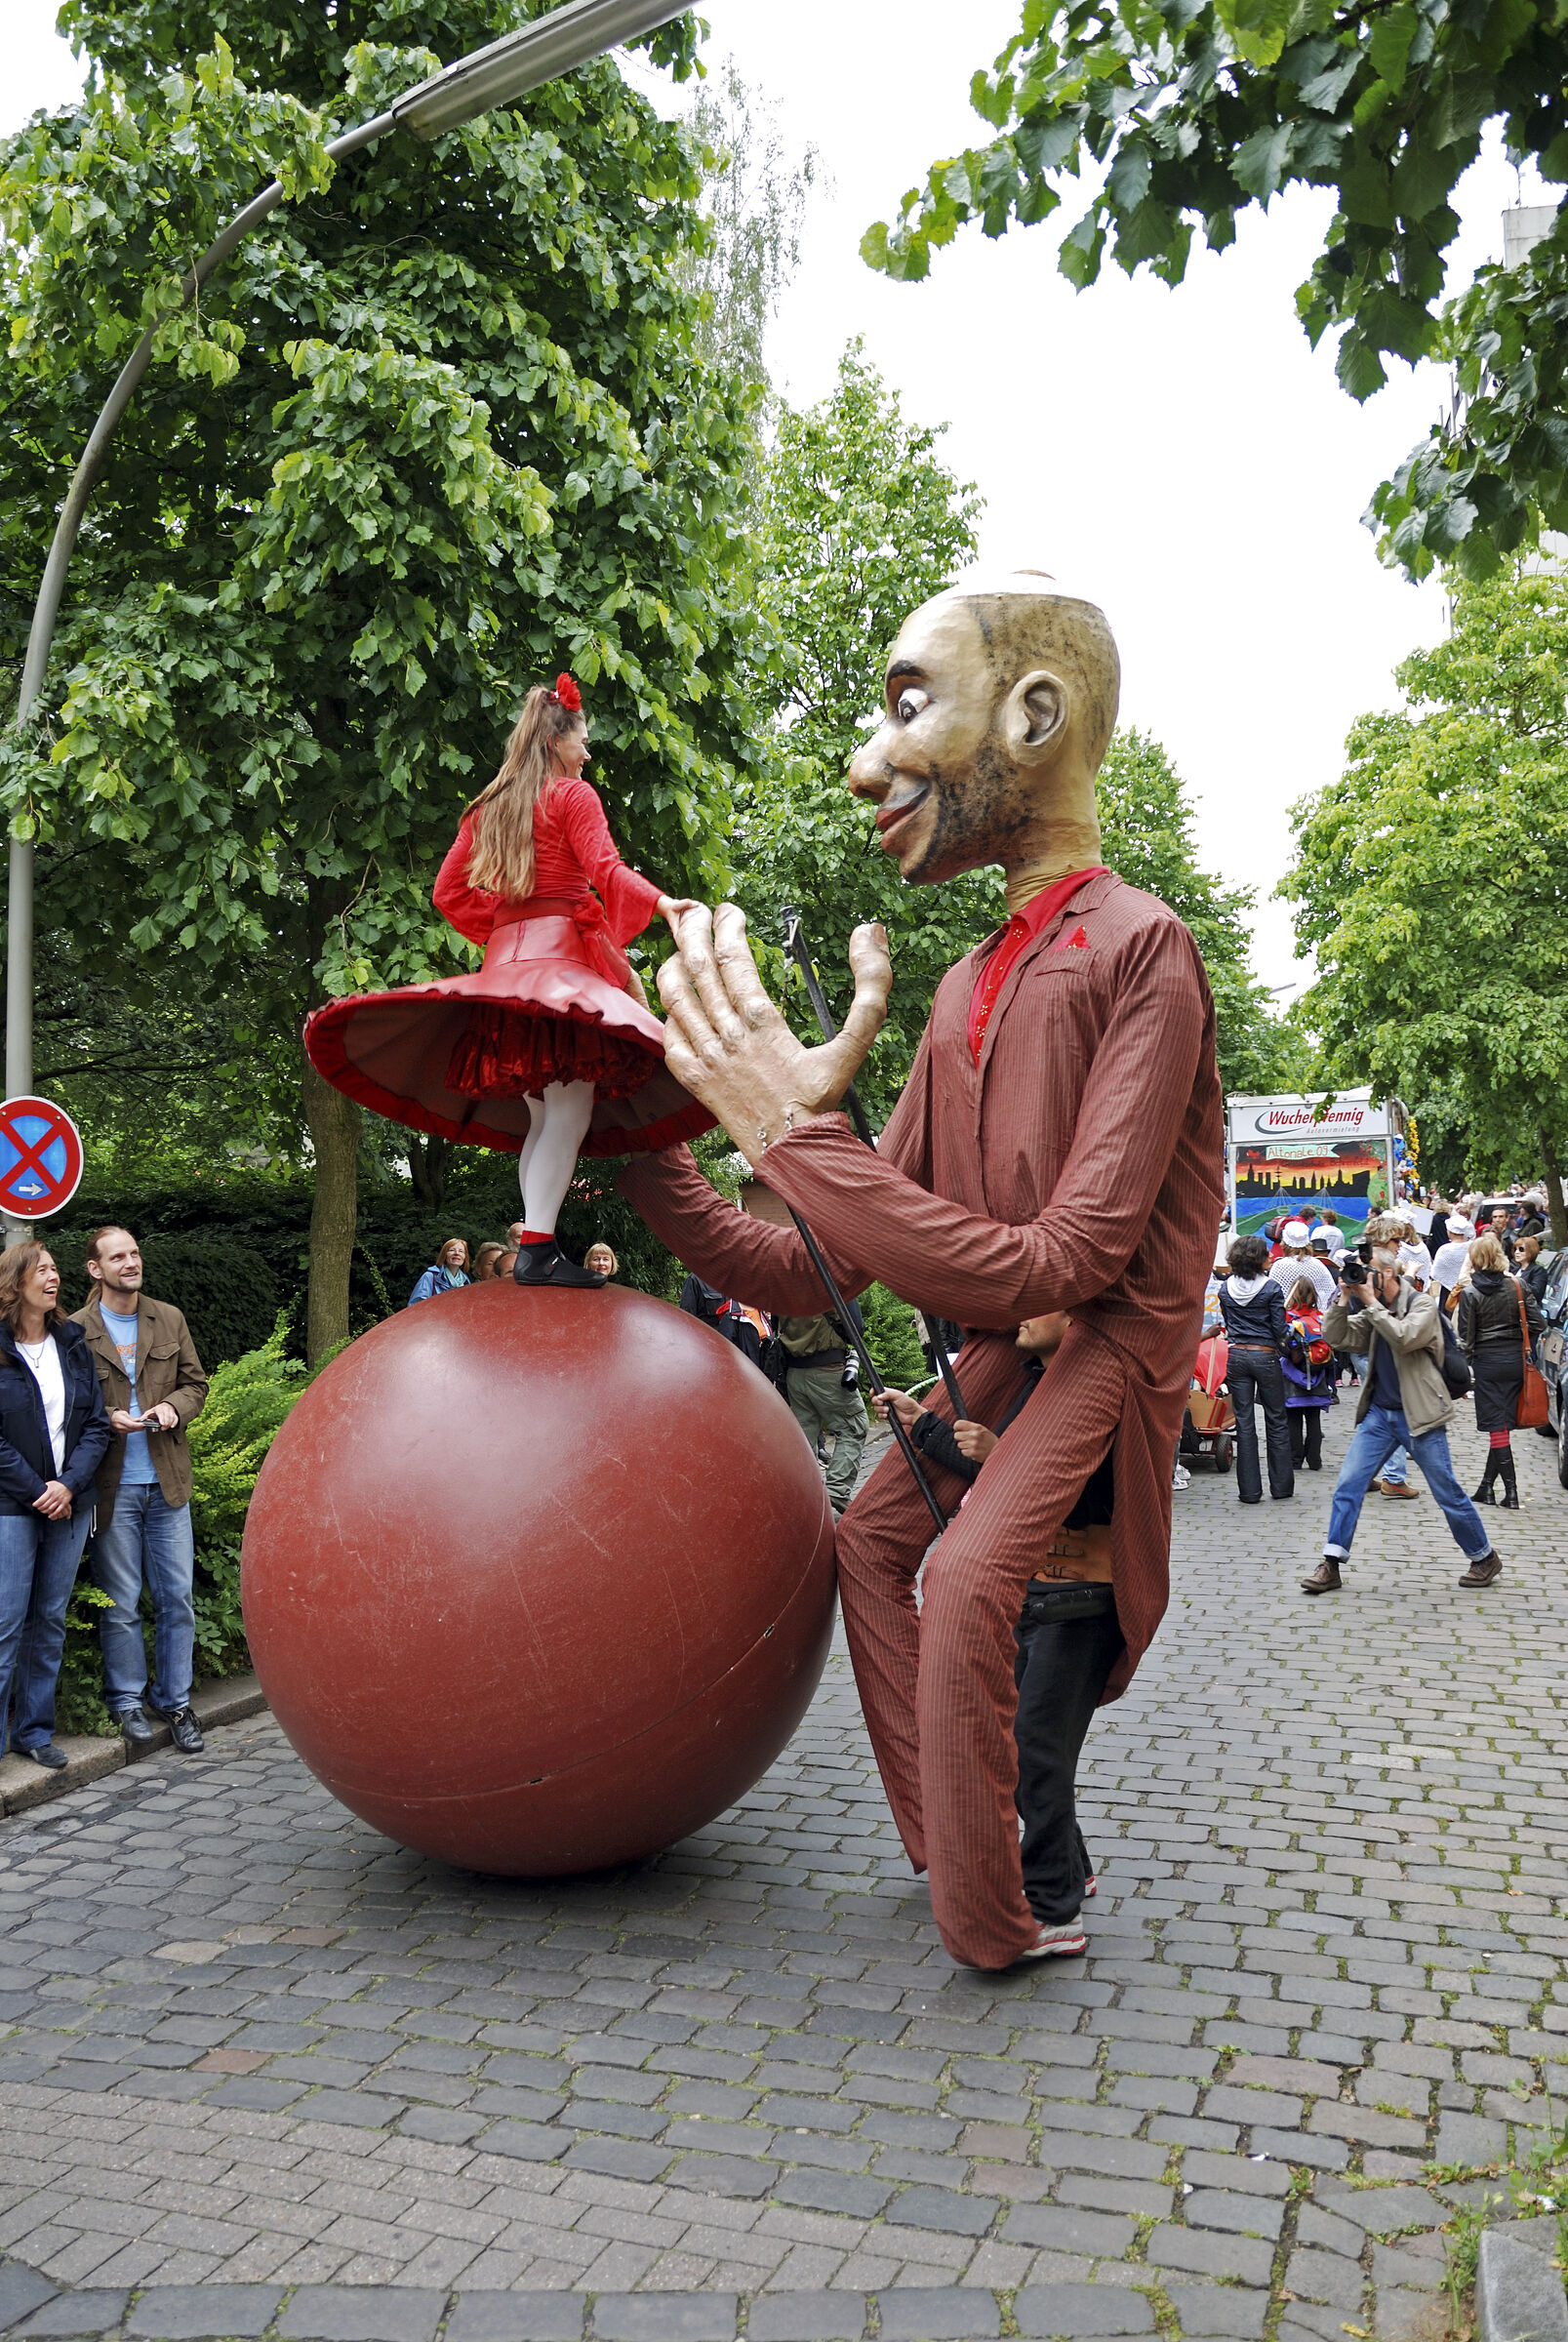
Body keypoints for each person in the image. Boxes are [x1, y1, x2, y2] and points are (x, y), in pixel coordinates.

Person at [621, 573, 1224, 1970]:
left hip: (1104, 1349)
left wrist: (786, 1131)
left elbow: (1074, 1257)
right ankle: (955, 1842)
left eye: (908, 706)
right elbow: (811, 1258)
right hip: (1013, 1353)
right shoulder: (963, 989)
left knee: (961, 1585)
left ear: (1031, 715)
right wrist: (645, 1142)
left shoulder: (1142, 946)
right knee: (873, 1542)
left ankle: (998, 1913)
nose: (865, 763)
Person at [303, 673, 707, 1291]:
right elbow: (605, 869)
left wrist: (505, 928)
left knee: (542, 1112)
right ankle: (539, 1249)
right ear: (555, 741)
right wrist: (661, 904)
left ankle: (534, 1242)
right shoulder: (572, 796)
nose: (587, 753)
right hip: (561, 967)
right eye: (583, 741)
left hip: (509, 971)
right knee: (568, 1110)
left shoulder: (488, 806)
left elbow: (447, 893)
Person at [874, 1310, 1112, 1949]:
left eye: (1038, 1303)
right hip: (1031, 1591)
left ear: (1074, 1314)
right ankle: (1071, 1868)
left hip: (1081, 1596)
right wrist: (922, 1424)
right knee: (1025, 1742)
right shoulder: (1036, 1381)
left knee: (1034, 1746)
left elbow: (1089, 1494)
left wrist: (1000, 1453)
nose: (1021, 1316)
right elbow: (996, 1471)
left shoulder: (1097, 1390)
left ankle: (1054, 1911)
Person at [1301, 1217, 1500, 1595]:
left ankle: (1484, 1556)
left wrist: (1371, 1303)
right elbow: (1338, 1337)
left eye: (1369, 1272)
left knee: (1446, 1491)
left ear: (1387, 1274)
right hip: (1379, 1414)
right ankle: (1331, 1563)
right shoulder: (1373, 1305)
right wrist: (1343, 1297)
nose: (1363, 1277)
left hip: (1419, 1414)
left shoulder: (1421, 1304)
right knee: (1348, 1486)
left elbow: (1405, 1337)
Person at [72, 1228, 210, 1753]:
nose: (130, 1262)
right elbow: (68, 1403)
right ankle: (127, 1700)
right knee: (122, 1603)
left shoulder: (168, 1318)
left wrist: (174, 1407)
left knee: (178, 1600)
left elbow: (196, 1383)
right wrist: (107, 1415)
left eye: (134, 1253)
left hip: (167, 1482)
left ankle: (174, 1700)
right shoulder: (76, 1329)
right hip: (112, 1488)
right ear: (95, 1268)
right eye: (118, 1257)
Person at [0, 1244, 110, 1770]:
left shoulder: (72, 1341)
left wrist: (67, 1486)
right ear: (15, 1281)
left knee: (48, 1621)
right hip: (11, 1505)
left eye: (54, 1269)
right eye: (41, 1269)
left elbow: (96, 1424)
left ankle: (33, 1731)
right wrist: (39, 1491)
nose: (54, 1276)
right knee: (6, 1623)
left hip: (69, 1502)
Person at [1459, 1233, 1543, 1511]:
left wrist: (1462, 1374)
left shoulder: (1470, 1293)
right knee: (1502, 1425)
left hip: (1487, 1363)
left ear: (1474, 1259)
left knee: (1497, 1427)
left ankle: (1511, 1493)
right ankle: (1486, 1487)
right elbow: (1538, 1324)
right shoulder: (1517, 1285)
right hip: (1515, 1362)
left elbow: (1466, 1340)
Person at [1218, 1233, 1294, 1505]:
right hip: (1265, 1356)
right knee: (1276, 1419)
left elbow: (1228, 1324)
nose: (1271, 1256)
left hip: (1237, 1355)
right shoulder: (1271, 1288)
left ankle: (1249, 1491)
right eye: (1266, 1253)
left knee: (1244, 1422)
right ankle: (1281, 1486)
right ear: (1257, 1259)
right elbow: (1279, 1330)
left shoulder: (1226, 1289)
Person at [775, 1310, 867, 1513]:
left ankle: (801, 1496)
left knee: (803, 1438)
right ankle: (837, 1490)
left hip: (795, 1372)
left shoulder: (783, 1291)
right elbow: (856, 1327)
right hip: (828, 1369)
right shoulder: (826, 1289)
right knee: (854, 1426)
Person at [1281, 1274, 1335, 1472]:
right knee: (1314, 1419)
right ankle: (1315, 1460)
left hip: (1293, 1377)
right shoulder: (1320, 1317)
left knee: (1293, 1419)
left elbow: (1282, 1345)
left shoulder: (1289, 1318)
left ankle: (1295, 1460)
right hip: (1317, 1374)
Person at [1269, 1221, 1336, 1312]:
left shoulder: (1279, 1267)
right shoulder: (1318, 1265)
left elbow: (1272, 1299)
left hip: (1287, 1318)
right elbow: (1331, 1294)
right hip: (1317, 1318)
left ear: (1284, 1243)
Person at [1430, 1214, 1475, 1308]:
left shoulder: (1444, 1250)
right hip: (1470, 1289)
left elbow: (1435, 1273)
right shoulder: (1473, 1246)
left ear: (1449, 1231)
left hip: (1448, 1293)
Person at [408, 1237, 470, 1305]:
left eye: (461, 1251)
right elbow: (417, 1306)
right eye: (452, 1250)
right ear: (444, 1255)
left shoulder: (465, 1281)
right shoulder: (430, 1277)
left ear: (465, 1257)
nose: (457, 1253)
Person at [1517, 1232, 1550, 1307]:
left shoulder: (1538, 1271)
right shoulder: (1514, 1269)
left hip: (1528, 1311)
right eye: (1515, 1249)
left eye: (1521, 1249)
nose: (1517, 1252)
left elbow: (1537, 1293)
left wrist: (1516, 1281)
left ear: (1531, 1251)